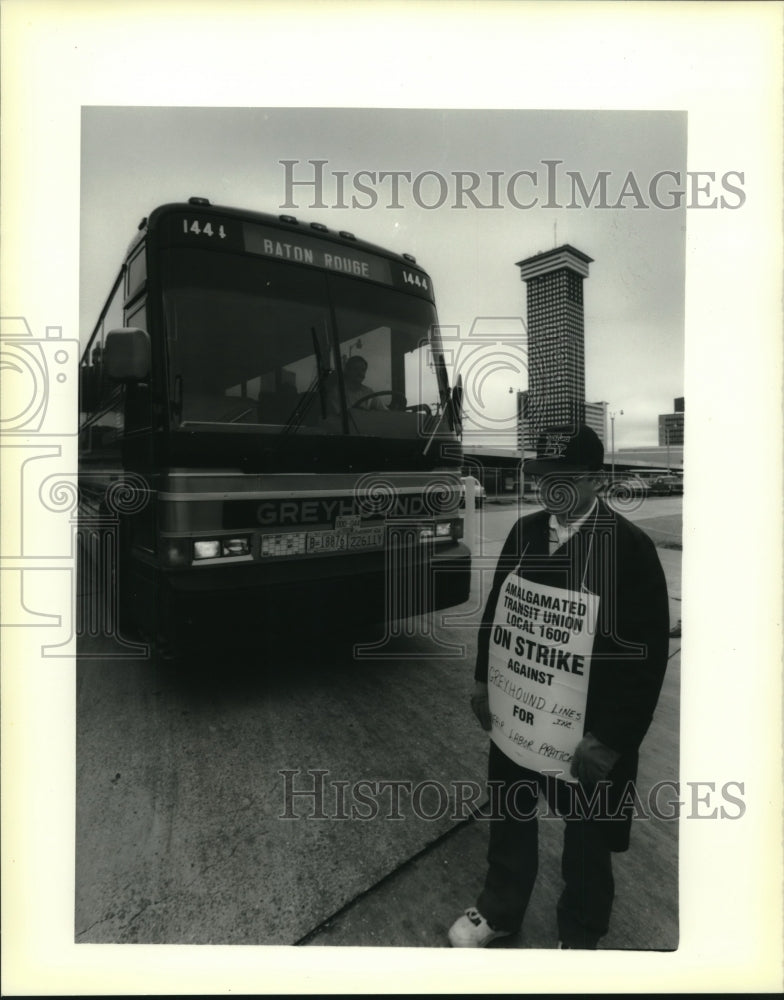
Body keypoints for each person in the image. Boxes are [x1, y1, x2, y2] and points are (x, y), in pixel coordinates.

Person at [448, 423, 670, 949]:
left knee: (588, 837)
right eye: (543, 477)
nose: (550, 489)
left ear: (595, 479)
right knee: (511, 813)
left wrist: (611, 740)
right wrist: (484, 682)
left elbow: (646, 661)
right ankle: (501, 908)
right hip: (520, 714)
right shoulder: (524, 533)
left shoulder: (630, 549)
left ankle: (580, 932)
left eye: (563, 478)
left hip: (588, 731)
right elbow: (499, 616)